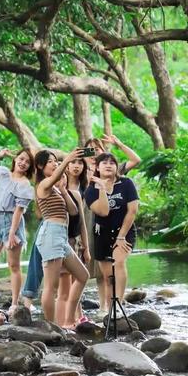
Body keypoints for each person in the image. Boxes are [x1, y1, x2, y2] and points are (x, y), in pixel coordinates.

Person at [84, 135, 140, 312]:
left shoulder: (126, 182)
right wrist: (101, 188)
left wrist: (122, 236)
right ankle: (108, 309)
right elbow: (103, 211)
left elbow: (132, 210)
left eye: (111, 162)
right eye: (104, 162)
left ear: (116, 167)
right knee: (107, 276)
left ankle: (118, 305)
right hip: (101, 231)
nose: (108, 165)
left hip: (124, 230)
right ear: (96, 167)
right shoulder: (91, 187)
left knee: (118, 263)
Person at [34, 149, 89, 328]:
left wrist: (64, 191)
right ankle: (52, 327)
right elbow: (56, 175)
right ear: (40, 166)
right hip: (50, 234)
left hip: (61, 237)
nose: (55, 164)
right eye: (50, 161)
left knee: (83, 275)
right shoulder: (42, 185)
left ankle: (68, 320)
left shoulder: (56, 189)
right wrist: (68, 160)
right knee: (51, 286)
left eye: (56, 161)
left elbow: (73, 212)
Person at [0, 148, 35, 314]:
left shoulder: (25, 184)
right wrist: (1, 154)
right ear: (16, 158)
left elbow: (19, 210)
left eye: (27, 162)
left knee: (14, 266)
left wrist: (11, 234)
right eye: (21, 158)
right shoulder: (3, 173)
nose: (23, 163)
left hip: (12, 223)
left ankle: (15, 303)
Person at [55, 157, 91, 325]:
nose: (76, 166)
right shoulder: (53, 190)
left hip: (74, 240)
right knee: (65, 285)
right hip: (60, 240)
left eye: (80, 163)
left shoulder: (80, 190)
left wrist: (86, 247)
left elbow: (82, 221)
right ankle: (65, 322)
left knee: (77, 280)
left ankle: (77, 316)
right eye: (73, 162)